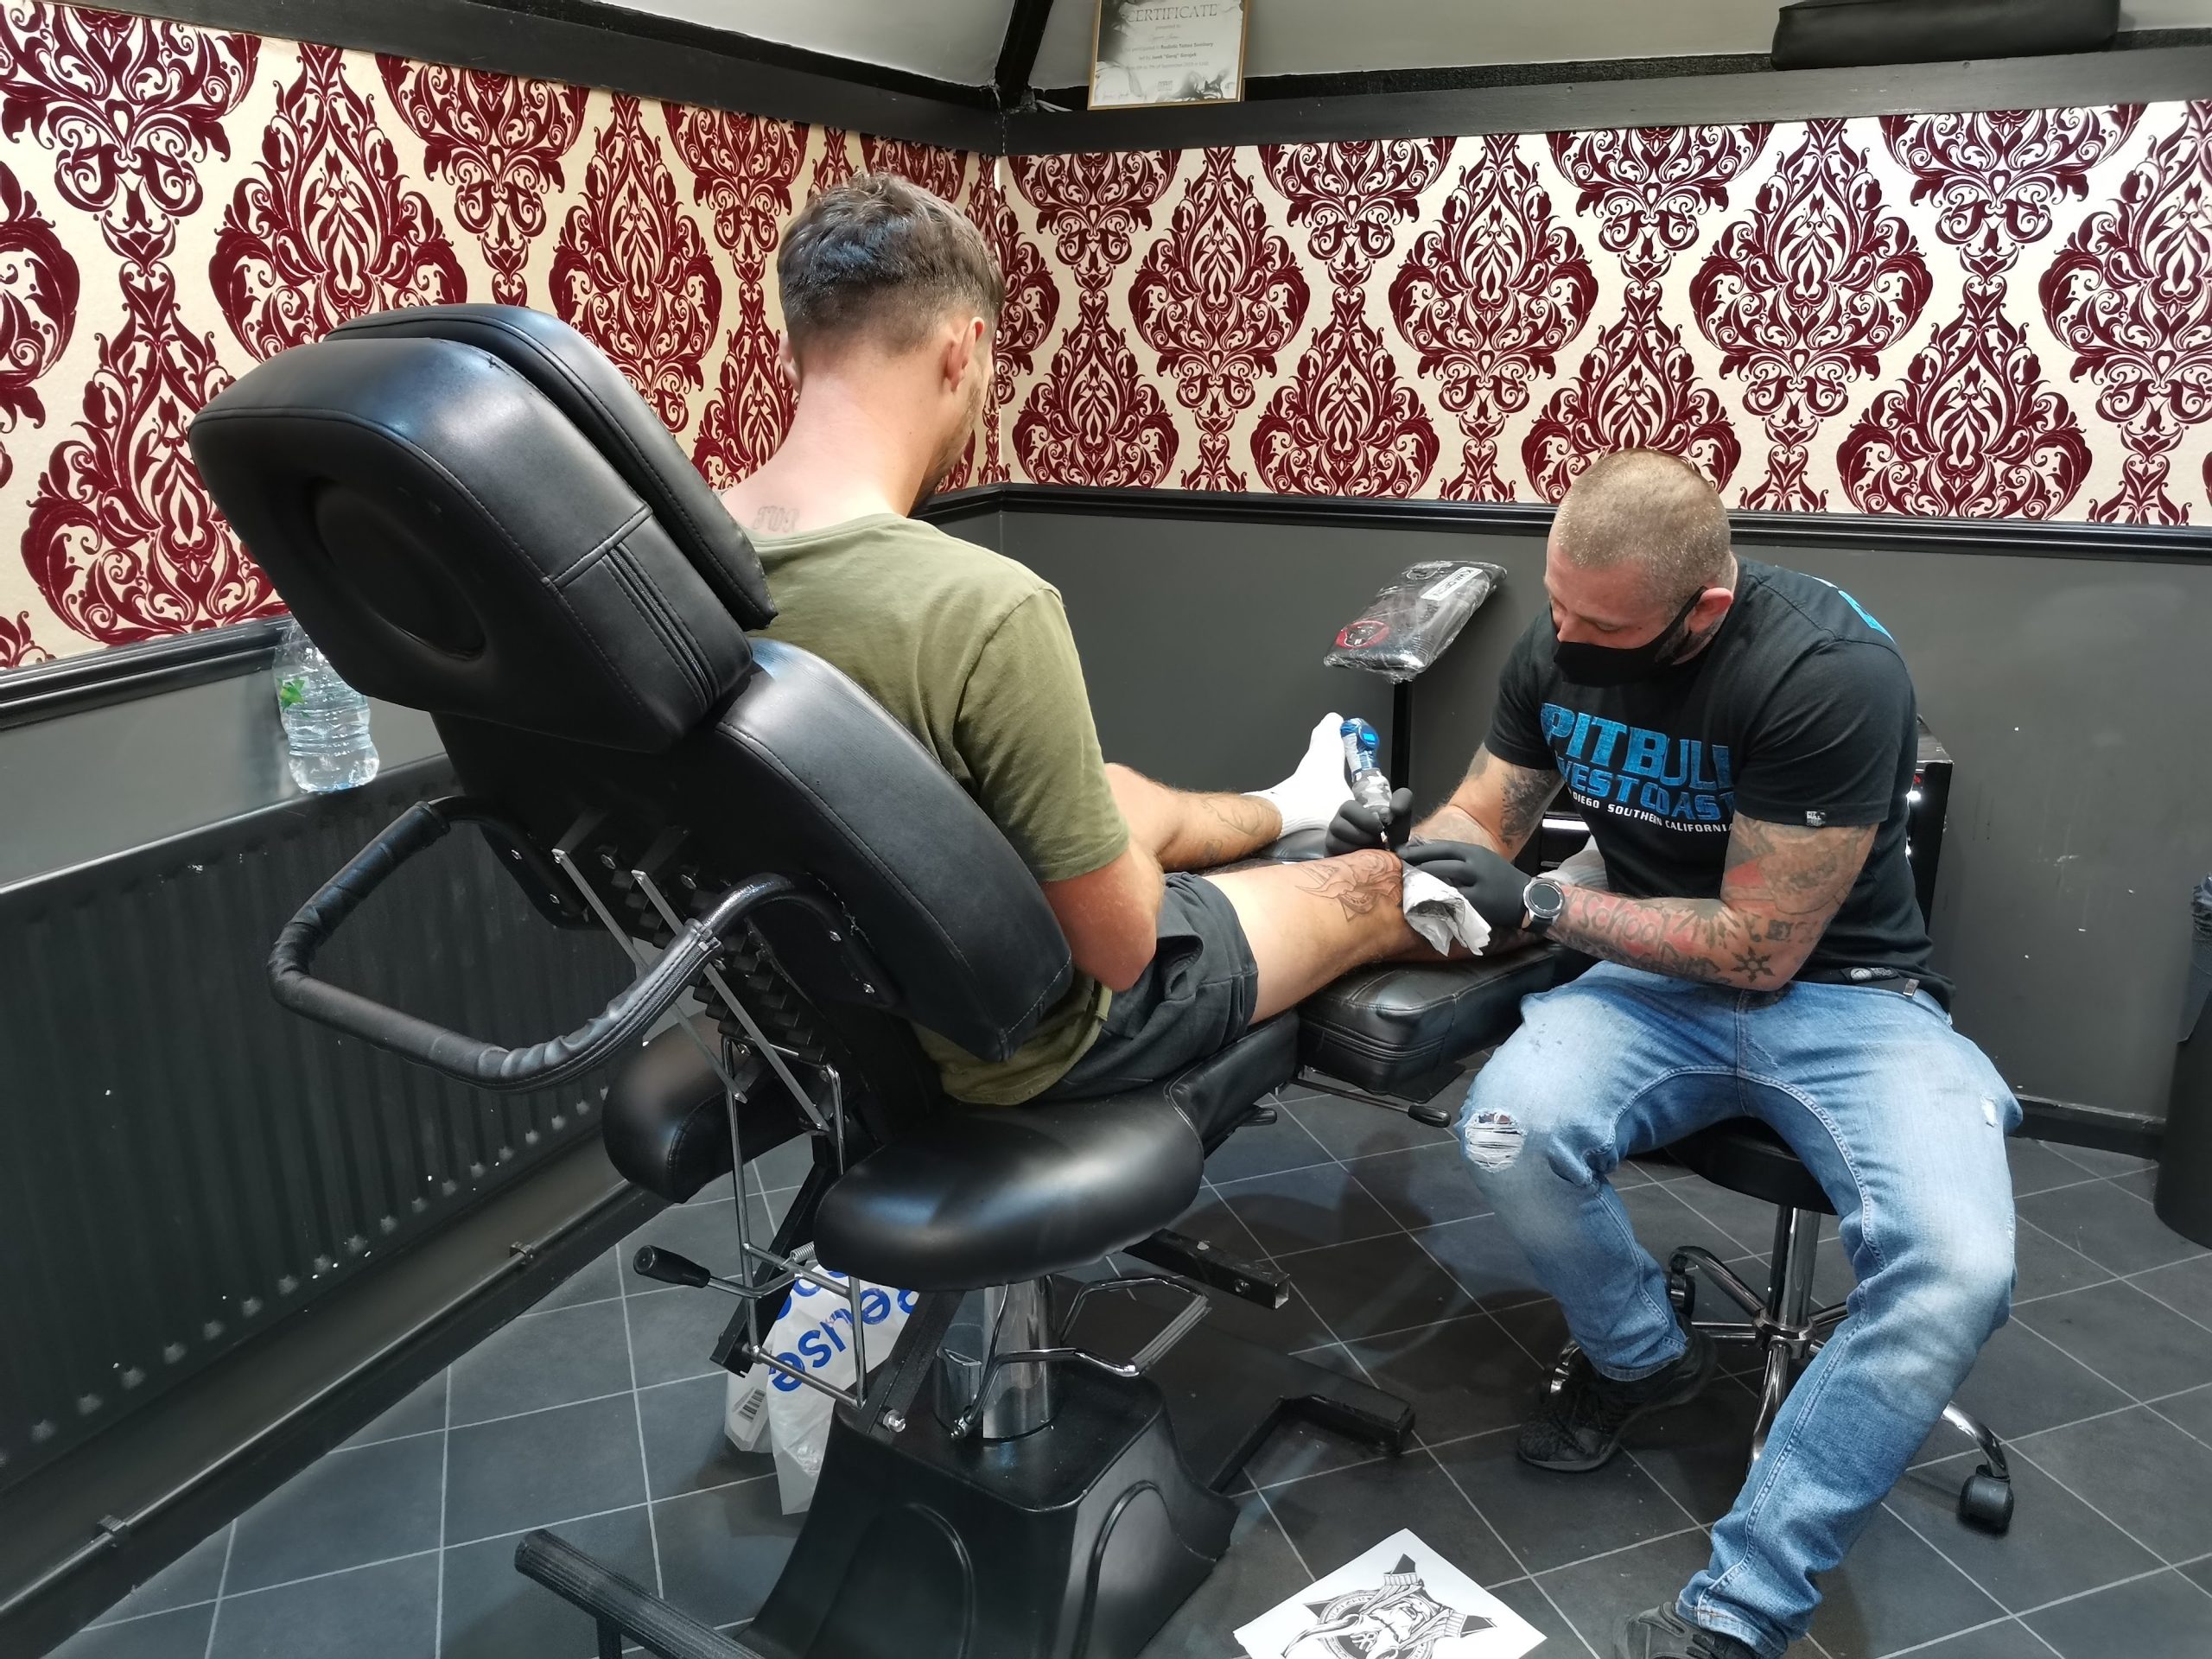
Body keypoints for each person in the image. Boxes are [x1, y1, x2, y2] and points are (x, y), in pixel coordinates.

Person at [1329, 449, 2019, 1659]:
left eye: (1601, 625)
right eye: (1558, 605)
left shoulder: (1824, 672)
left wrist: (1543, 902)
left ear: (1700, 608)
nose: (1564, 637)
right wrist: (1409, 854)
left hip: (1844, 999)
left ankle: (1742, 1610)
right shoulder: (1566, 633)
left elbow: (1759, 948)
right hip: (1649, 984)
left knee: (1959, 1268)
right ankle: (1643, 1359)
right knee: (1507, 1127)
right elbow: (1482, 818)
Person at [719, 173, 1411, 1107]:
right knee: (1378, 884)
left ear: (791, 348)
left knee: (1118, 792)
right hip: (1034, 1038)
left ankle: (1297, 800)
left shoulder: (679, 569)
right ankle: (1527, 918)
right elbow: (1119, 952)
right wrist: (1131, 861)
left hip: (820, 1005)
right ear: (962, 350)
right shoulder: (986, 606)